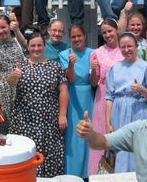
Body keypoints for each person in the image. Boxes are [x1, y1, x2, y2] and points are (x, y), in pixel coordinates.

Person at [7, 32, 68, 177]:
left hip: (49, 122)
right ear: (27, 47)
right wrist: (13, 76)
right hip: (24, 122)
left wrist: (62, 114)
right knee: (25, 156)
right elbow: (11, 82)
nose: (36, 48)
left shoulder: (55, 67)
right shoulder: (19, 66)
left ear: (44, 46)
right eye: (33, 45)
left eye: (39, 45)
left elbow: (63, 91)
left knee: (49, 157)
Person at [105, 32, 147, 172]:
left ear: (137, 47)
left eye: (129, 46)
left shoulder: (146, 67)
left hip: (138, 112)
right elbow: (109, 97)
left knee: (138, 150)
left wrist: (142, 90)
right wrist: (108, 122)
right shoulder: (114, 68)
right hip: (118, 112)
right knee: (119, 151)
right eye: (123, 47)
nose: (126, 50)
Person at [87, 19, 123, 175]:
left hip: (122, 99)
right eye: (104, 32)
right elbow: (94, 82)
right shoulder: (97, 52)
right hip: (102, 97)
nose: (108, 35)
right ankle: (99, 173)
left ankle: (123, 172)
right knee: (102, 136)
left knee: (121, 136)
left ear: (117, 30)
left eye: (110, 31)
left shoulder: (126, 49)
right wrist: (94, 71)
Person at [59, 25, 93, 179]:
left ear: (84, 36)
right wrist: (71, 64)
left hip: (88, 97)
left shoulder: (93, 53)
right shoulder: (64, 54)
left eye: (79, 36)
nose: (77, 39)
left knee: (88, 133)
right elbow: (70, 79)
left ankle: (88, 172)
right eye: (73, 37)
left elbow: (94, 81)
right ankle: (72, 173)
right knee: (73, 136)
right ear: (69, 39)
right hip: (72, 96)